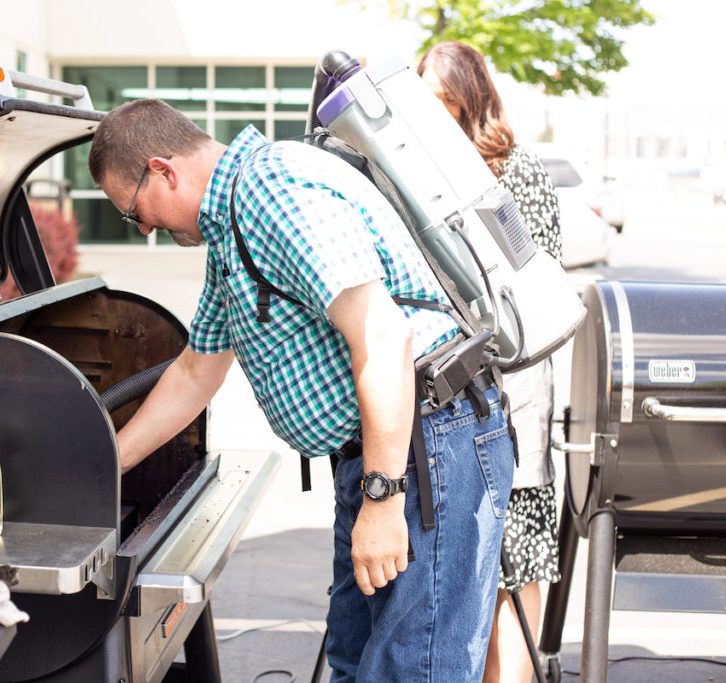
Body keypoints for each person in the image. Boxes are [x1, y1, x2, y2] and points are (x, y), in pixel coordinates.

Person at [88, 98, 515, 681]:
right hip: (383, 454)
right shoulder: (231, 226)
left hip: (424, 449)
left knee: (413, 669)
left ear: (163, 170)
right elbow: (196, 370)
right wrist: (101, 465)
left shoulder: (273, 190)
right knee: (355, 661)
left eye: (133, 210)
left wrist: (383, 497)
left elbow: (384, 336)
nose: (143, 229)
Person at [418, 41, 563, 683]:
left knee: (517, 564)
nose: (430, 112)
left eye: (442, 99)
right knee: (465, 568)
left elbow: (535, 277)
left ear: (471, 99)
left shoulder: (515, 173)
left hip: (514, 381)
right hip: (450, 396)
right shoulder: (416, 171)